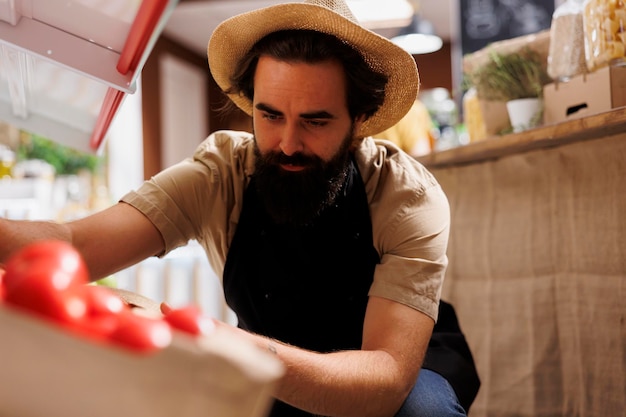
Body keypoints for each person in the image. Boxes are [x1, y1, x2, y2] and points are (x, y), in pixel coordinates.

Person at [0, 0, 479, 416]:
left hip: (392, 372)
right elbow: (73, 245)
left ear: (358, 122)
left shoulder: (407, 195)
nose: (288, 143)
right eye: (270, 116)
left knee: (424, 410)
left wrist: (225, 342)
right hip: (274, 362)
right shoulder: (221, 171)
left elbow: (385, 377)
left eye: (315, 121)